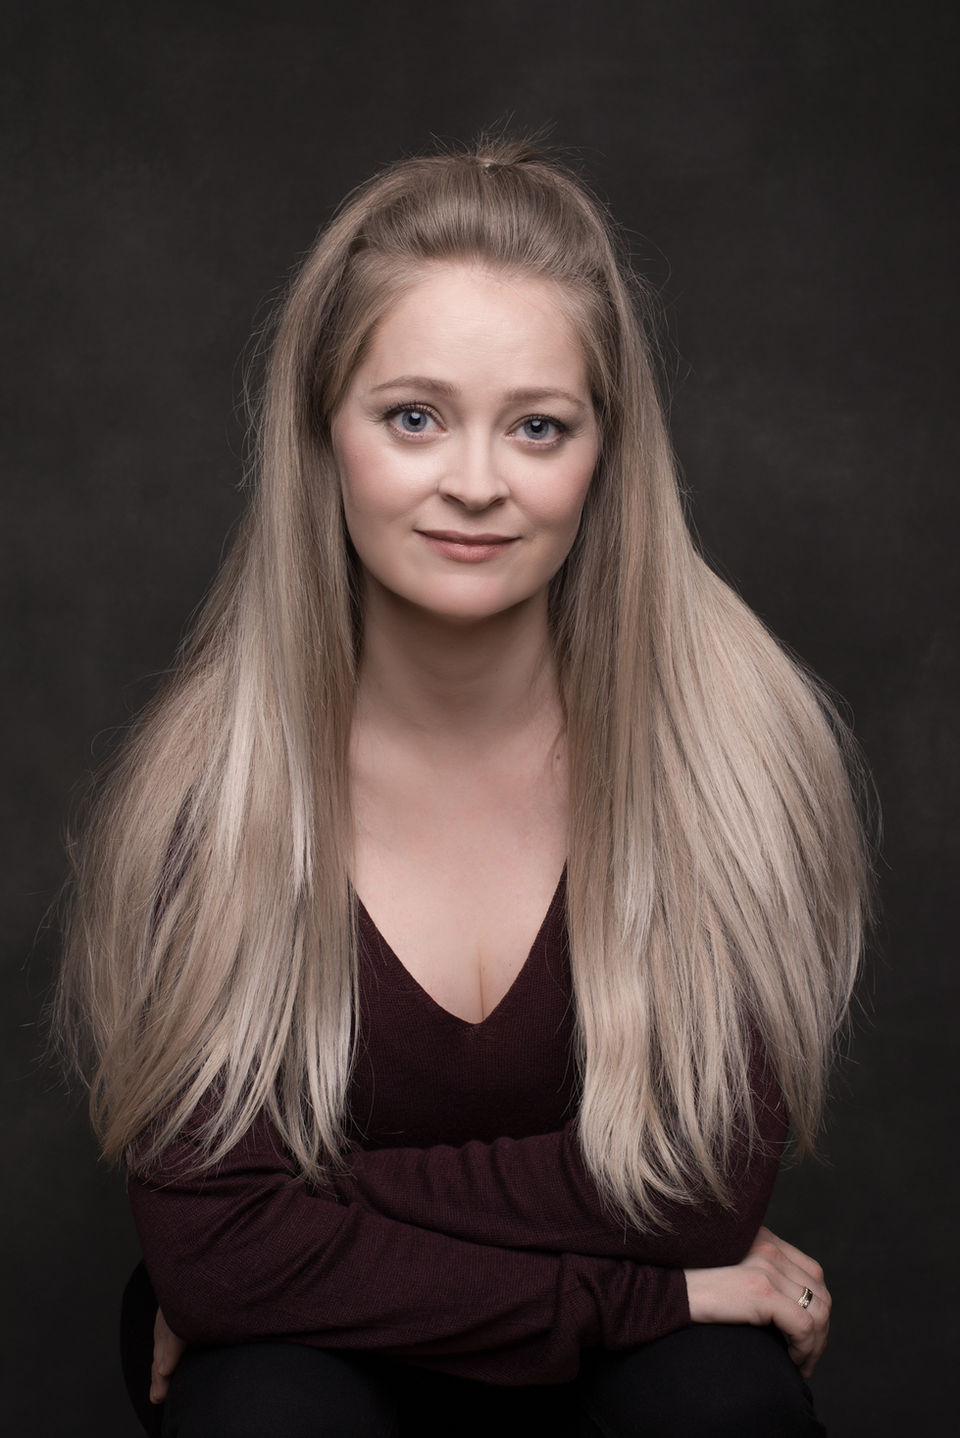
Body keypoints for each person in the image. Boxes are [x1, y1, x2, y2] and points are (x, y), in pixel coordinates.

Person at [58, 139, 870, 1437]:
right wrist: (639, 1293)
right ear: (324, 435)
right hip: (316, 1367)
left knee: (721, 1403)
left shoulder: (731, 751)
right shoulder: (212, 793)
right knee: (262, 1412)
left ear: (605, 453)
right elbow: (221, 1257)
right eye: (414, 417)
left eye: (538, 426)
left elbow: (699, 1196)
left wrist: (280, 1226)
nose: (479, 484)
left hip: (603, 1376)